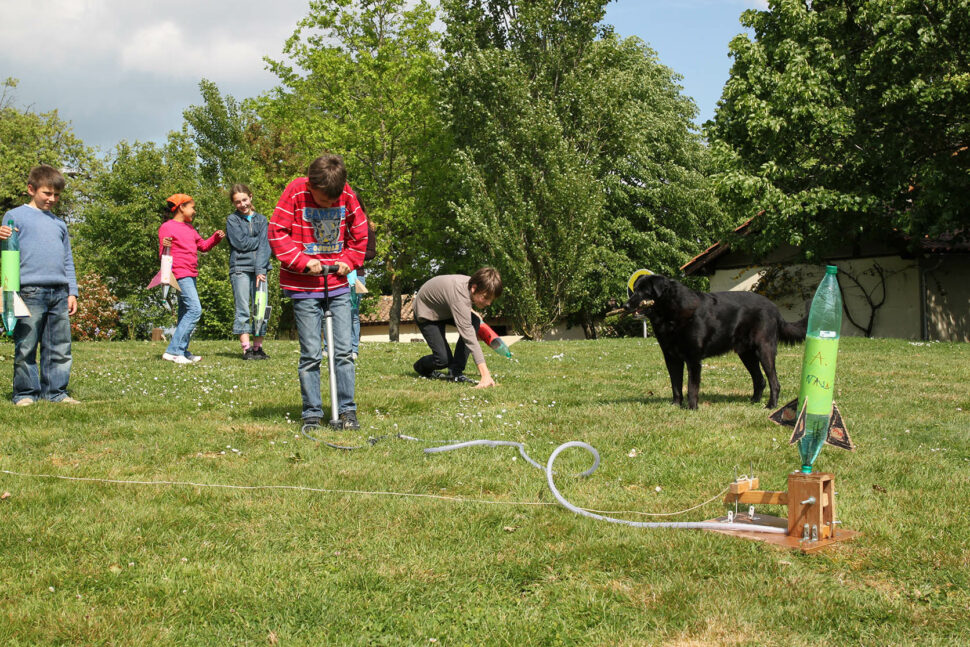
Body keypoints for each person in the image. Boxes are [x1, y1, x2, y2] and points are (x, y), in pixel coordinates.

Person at [268, 154, 368, 430]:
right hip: (303, 286)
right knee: (311, 354)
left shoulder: (346, 193)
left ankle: (347, 410)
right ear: (311, 185)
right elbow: (277, 231)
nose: (330, 204)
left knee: (344, 352)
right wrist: (302, 261)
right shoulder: (295, 190)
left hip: (337, 284)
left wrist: (348, 261)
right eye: (324, 200)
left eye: (334, 201)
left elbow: (360, 233)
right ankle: (311, 412)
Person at [0, 164, 80, 405]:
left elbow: (67, 259)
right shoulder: (14, 216)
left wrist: (72, 291)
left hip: (59, 292)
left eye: (56, 195)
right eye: (47, 193)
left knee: (59, 347)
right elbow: (7, 251)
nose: (52, 199)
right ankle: (25, 393)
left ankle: (56, 392)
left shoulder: (59, 224)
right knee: (26, 346)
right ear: (31, 189)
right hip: (28, 292)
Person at [158, 194, 224, 365]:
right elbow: (162, 255)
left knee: (185, 313)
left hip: (191, 273)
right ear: (181, 207)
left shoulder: (190, 228)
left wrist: (215, 238)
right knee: (195, 310)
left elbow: (203, 246)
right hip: (179, 273)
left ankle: (182, 351)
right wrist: (165, 246)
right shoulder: (167, 227)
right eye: (192, 207)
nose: (194, 211)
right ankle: (173, 351)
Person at [412, 267, 503, 389]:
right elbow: (469, 337)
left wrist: (470, 311)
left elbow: (457, 301)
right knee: (443, 359)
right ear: (474, 288)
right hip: (426, 312)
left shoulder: (473, 284)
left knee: (475, 321)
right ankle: (420, 367)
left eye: (491, 299)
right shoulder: (460, 295)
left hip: (444, 310)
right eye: (486, 297)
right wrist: (485, 375)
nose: (488, 303)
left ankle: (455, 372)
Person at [226, 184, 272, 360]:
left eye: (244, 200)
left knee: (262, 308)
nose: (242, 204)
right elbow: (240, 243)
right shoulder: (232, 220)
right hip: (240, 268)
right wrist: (259, 241)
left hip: (260, 269)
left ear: (250, 197)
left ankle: (258, 347)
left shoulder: (262, 220)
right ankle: (247, 349)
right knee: (243, 308)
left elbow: (266, 247)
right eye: (237, 202)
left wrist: (260, 269)